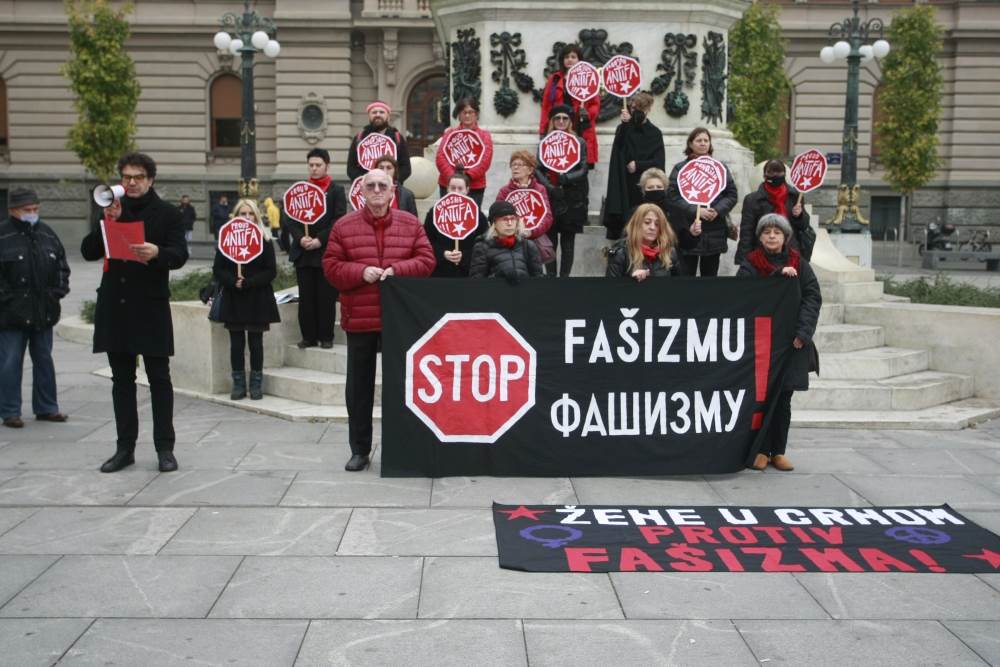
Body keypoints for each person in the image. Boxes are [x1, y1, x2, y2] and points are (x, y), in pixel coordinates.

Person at [80, 152, 189, 473]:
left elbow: (180, 255)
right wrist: (107, 222)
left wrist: (157, 253)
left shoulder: (167, 214)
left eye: (138, 177)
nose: (131, 182)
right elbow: (88, 251)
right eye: (127, 177)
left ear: (150, 180)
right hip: (116, 305)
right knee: (122, 380)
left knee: (159, 379)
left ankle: (164, 448)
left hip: (150, 304)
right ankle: (124, 448)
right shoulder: (111, 208)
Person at [323, 169, 435, 472]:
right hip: (359, 317)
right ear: (361, 191)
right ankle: (359, 449)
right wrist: (361, 272)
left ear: (392, 191)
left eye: (381, 185)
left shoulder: (411, 224)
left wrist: (398, 270)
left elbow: (427, 260)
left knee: (402, 388)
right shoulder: (343, 226)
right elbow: (331, 267)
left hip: (399, 320)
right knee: (358, 389)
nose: (375, 190)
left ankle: (402, 448)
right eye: (369, 185)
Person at [737, 213, 822, 472]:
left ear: (785, 237)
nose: (771, 236)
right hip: (763, 341)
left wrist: (803, 333)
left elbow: (812, 297)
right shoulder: (750, 263)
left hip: (792, 342)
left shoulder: (800, 263)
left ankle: (778, 451)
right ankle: (761, 449)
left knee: (784, 398)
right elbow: (743, 294)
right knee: (761, 398)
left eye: (777, 232)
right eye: (766, 232)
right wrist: (776, 275)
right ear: (760, 236)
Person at [0, 187, 70, 429]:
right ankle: (10, 411)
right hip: (11, 315)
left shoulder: (47, 234)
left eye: (35, 209)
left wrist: (56, 294)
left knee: (44, 359)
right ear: (13, 211)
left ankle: (47, 407)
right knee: (10, 361)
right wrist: (8, 300)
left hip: (43, 311)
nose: (32, 213)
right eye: (27, 210)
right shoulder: (3, 235)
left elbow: (62, 266)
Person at [213, 199, 280, 401]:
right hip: (234, 297)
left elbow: (271, 271)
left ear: (256, 216)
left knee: (256, 342)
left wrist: (250, 282)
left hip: (257, 297)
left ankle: (256, 384)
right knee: (236, 343)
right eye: (243, 214)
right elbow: (218, 269)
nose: (247, 218)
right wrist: (234, 281)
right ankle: (239, 383)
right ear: (236, 216)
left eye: (250, 214)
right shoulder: (226, 239)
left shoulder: (264, 240)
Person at [281, 147, 346, 350]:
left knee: (326, 297)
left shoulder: (336, 190)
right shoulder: (300, 189)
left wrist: (320, 239)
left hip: (326, 251)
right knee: (306, 298)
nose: (314, 168)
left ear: (327, 165)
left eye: (318, 165)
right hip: (303, 253)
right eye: (311, 165)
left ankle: (326, 336)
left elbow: (338, 219)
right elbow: (290, 218)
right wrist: (301, 238)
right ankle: (308, 337)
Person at [665, 127, 738, 277]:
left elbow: (731, 195)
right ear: (690, 144)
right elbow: (672, 197)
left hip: (715, 232)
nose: (703, 143)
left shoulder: (720, 168)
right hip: (687, 231)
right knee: (686, 277)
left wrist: (717, 210)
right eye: (699, 140)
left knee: (710, 278)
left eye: (706, 140)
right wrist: (696, 210)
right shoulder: (680, 168)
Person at [602, 92, 665, 240]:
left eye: (640, 108)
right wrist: (625, 125)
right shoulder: (623, 129)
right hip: (625, 186)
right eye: (633, 107)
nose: (635, 111)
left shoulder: (655, 133)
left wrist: (639, 165)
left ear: (648, 109)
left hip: (645, 188)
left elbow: (659, 161)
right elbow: (619, 149)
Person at [535, 104, 588, 277]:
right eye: (557, 118)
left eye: (565, 118)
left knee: (568, 241)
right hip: (551, 197)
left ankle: (565, 279)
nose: (561, 121)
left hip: (572, 197)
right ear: (552, 121)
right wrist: (549, 186)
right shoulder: (544, 142)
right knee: (550, 242)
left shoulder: (579, 142)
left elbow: (584, 169)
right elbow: (537, 169)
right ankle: (551, 278)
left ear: (570, 121)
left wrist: (567, 178)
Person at [737, 159, 815, 264]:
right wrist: (744, 260)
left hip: (790, 252)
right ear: (764, 175)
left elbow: (804, 225)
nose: (775, 175)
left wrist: (799, 215)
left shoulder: (795, 196)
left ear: (784, 174)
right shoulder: (752, 199)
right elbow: (746, 232)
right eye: (771, 172)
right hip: (762, 253)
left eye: (778, 172)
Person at [538, 44, 600, 167]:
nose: (570, 59)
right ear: (562, 60)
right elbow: (546, 106)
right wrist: (543, 130)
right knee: (558, 163)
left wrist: (587, 114)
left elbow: (595, 104)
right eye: (566, 57)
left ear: (579, 59)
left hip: (580, 127)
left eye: (573, 56)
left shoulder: (587, 78)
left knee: (580, 165)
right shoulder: (554, 79)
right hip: (559, 125)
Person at [423, 167, 489, 278]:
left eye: (460, 188)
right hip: (440, 273)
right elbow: (426, 241)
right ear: (447, 189)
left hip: (468, 273)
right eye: (453, 188)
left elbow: (484, 243)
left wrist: (465, 255)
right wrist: (443, 253)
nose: (456, 192)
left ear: (467, 190)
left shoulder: (477, 214)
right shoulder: (434, 213)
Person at [495, 150, 554, 261]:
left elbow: (547, 217)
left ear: (530, 170)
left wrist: (532, 232)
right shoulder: (504, 191)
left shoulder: (540, 189)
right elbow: (496, 216)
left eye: (520, 165)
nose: (515, 168)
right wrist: (512, 231)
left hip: (534, 241)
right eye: (513, 165)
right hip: (511, 241)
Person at [434, 97, 493, 207]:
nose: (467, 115)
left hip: (475, 185)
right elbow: (440, 157)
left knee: (472, 218)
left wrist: (468, 177)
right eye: (463, 112)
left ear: (476, 114)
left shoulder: (485, 136)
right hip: (449, 184)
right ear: (459, 115)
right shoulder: (449, 133)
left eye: (471, 112)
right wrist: (454, 178)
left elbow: (485, 161)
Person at [469, 201, 544, 280]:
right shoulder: (482, 247)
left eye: (513, 218)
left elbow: (538, 279)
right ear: (493, 223)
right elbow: (476, 282)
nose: (509, 223)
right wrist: (498, 278)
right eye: (504, 219)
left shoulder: (528, 245)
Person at [606, 203, 681, 280]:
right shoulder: (621, 253)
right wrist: (630, 281)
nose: (652, 227)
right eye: (647, 222)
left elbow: (679, 286)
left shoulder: (670, 252)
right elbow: (610, 288)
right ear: (636, 224)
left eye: (657, 224)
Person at [347, 101, 411, 184]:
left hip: (391, 188)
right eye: (374, 112)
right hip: (366, 189)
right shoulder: (359, 138)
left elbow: (406, 167)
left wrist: (393, 180)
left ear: (388, 116)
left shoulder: (397, 137)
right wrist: (365, 180)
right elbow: (351, 168)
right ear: (369, 116)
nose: (378, 115)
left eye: (381, 112)